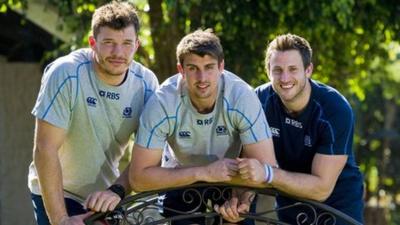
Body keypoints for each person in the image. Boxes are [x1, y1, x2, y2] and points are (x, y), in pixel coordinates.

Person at [28, 1, 158, 225]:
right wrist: (60, 220)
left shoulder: (146, 84)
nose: (118, 52)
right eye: (108, 42)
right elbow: (44, 148)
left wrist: (117, 190)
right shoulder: (66, 73)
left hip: (103, 196)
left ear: (137, 45)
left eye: (126, 43)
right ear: (92, 43)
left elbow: (149, 157)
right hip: (57, 192)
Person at [129, 29, 277, 225]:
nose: (202, 78)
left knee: (238, 218)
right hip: (179, 174)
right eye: (192, 68)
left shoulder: (242, 97)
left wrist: (243, 198)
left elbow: (267, 167)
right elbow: (138, 178)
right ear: (181, 70)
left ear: (221, 67)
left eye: (209, 67)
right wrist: (204, 172)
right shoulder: (162, 102)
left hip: (230, 177)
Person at [217, 33, 364, 224]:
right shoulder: (257, 101)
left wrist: (268, 173)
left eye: (293, 69)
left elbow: (321, 189)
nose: (285, 78)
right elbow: (249, 162)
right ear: (268, 71)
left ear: (308, 70)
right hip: (290, 203)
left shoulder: (334, 108)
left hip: (337, 207)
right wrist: (243, 198)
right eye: (277, 70)